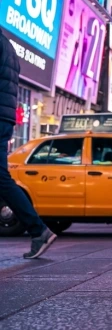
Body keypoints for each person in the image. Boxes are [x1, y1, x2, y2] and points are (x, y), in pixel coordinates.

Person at [0, 29, 56, 259]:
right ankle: (38, 230)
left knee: (1, 178)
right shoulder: (9, 45)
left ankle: (38, 229)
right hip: (5, 116)